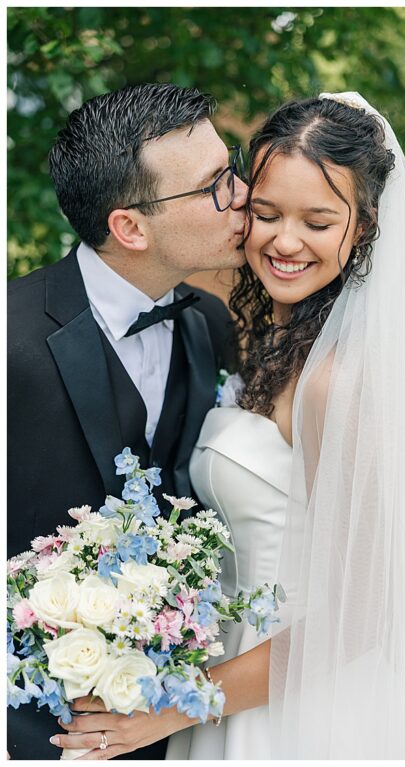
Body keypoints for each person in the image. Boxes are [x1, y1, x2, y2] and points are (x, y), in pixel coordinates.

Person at [52, 93, 405, 759]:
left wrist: (172, 705)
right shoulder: (272, 336)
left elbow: (363, 613)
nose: (285, 241)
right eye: (265, 213)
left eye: (318, 221)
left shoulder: (337, 382)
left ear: (366, 224)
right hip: (246, 666)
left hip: (307, 699)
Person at [7, 83, 243, 760]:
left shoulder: (209, 322)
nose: (244, 194)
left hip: (173, 727)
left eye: (233, 167)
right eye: (216, 185)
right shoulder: (9, 341)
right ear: (131, 227)